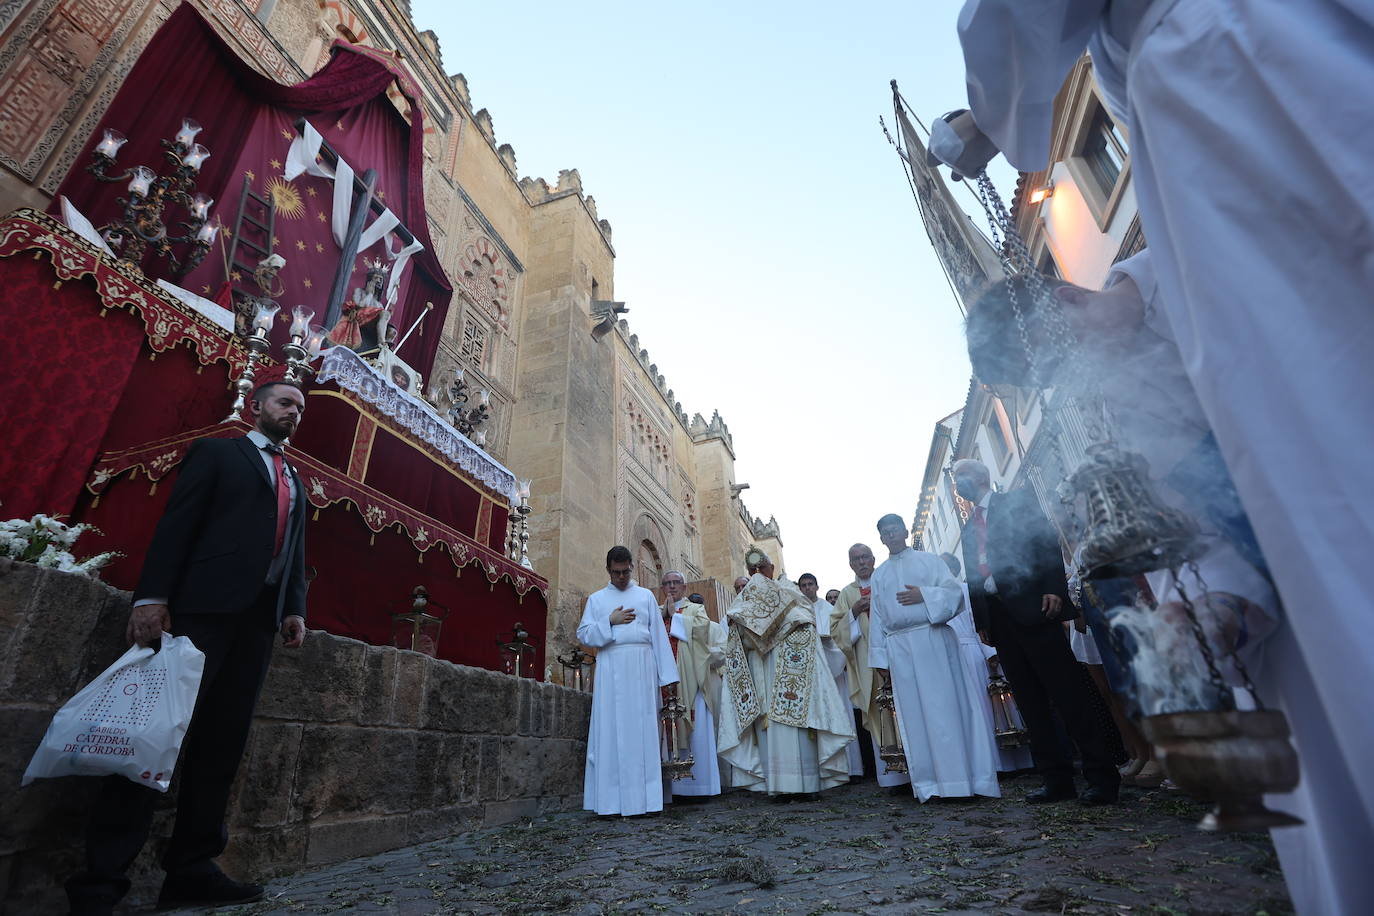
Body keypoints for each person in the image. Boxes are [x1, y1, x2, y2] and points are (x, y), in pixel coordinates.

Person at [940, 9, 1374, 908]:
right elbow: (1211, 500)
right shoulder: (1132, 391)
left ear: (1064, 296)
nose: (1075, 379)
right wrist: (1219, 606)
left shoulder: (1205, 252)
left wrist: (988, 116)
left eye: (1058, 360)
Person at [67, 382, 310, 915]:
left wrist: (293, 607)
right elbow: (179, 523)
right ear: (258, 406)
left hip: (256, 625)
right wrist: (152, 597)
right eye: (284, 403)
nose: (293, 412)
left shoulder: (296, 478)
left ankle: (192, 868)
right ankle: (100, 882)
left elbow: (294, 550)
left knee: (222, 744)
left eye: (300, 408)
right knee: (154, 737)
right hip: (201, 610)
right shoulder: (221, 453)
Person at [953, 459, 1119, 805]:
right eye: (955, 480)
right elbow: (973, 580)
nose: (958, 484)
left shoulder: (1015, 502)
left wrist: (1054, 589)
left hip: (1035, 608)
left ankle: (1101, 775)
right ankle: (1056, 778)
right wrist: (983, 622)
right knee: (1030, 702)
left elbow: (1045, 543)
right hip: (1000, 621)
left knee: (1068, 694)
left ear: (981, 476)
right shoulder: (969, 529)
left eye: (961, 476)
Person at [869, 516, 999, 802]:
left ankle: (962, 781)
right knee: (914, 716)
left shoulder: (930, 562)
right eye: (884, 533)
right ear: (880, 538)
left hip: (934, 640)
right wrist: (880, 659)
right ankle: (930, 785)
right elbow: (877, 618)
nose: (891, 536)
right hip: (900, 649)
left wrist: (924, 596)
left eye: (894, 530)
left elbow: (955, 595)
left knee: (946, 710)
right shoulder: (879, 575)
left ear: (905, 532)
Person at [717, 548, 854, 796]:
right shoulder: (742, 601)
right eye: (753, 571)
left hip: (792, 669)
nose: (758, 574)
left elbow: (805, 619)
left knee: (797, 727)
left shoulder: (790, 591)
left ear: (772, 568)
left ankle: (808, 783)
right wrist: (742, 626)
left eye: (763, 568)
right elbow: (737, 642)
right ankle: (774, 786)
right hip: (761, 670)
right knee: (768, 727)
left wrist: (775, 624)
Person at [576, 547, 680, 817]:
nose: (621, 577)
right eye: (616, 572)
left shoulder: (645, 596)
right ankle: (611, 803)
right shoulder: (597, 600)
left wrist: (668, 677)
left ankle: (646, 802)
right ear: (608, 570)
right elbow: (585, 634)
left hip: (642, 670)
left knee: (643, 732)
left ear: (632, 567)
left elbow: (658, 636)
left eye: (625, 571)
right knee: (610, 732)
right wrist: (609, 622)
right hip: (611, 668)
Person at [940, 552, 1032, 772]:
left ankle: (1005, 761)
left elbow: (976, 621)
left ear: (951, 569)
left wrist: (988, 651)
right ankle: (985, 762)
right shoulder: (940, 594)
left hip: (974, 652)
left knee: (990, 708)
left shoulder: (962, 590)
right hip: (954, 655)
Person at [829, 544, 904, 786]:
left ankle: (917, 769)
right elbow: (835, 630)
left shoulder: (887, 580)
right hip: (867, 663)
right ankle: (892, 778)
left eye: (865, 557)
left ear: (873, 559)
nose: (861, 562)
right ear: (850, 564)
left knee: (905, 710)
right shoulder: (847, 594)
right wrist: (853, 612)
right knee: (878, 712)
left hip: (897, 655)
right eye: (856, 559)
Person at [660, 570, 726, 799]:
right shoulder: (657, 612)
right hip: (664, 680)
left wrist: (674, 616)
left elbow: (702, 630)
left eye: (676, 583)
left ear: (684, 587)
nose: (671, 587)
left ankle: (698, 787)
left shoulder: (695, 610)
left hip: (690, 679)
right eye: (667, 583)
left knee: (695, 729)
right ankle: (671, 789)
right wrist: (664, 614)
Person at [799, 573, 862, 780]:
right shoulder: (797, 612)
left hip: (833, 674)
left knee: (841, 715)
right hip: (810, 675)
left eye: (810, 584)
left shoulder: (829, 610)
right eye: (803, 585)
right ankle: (824, 769)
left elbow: (841, 636)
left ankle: (850, 768)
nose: (807, 588)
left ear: (817, 586)